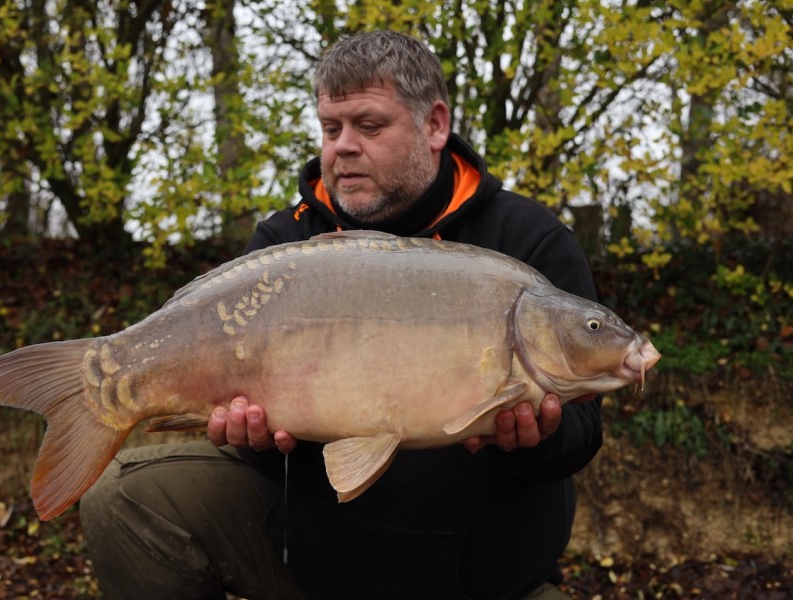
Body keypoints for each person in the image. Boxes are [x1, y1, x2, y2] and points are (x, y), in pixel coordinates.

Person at [80, 30, 602, 600]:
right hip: (318, 559)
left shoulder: (528, 241)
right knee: (124, 499)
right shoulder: (286, 242)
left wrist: (533, 438)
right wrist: (255, 440)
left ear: (434, 125)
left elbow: (581, 435)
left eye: (369, 126)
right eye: (331, 129)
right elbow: (273, 455)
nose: (342, 147)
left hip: (484, 578)